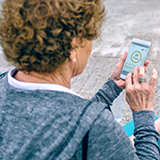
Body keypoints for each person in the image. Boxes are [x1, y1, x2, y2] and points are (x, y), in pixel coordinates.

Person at [0, 0, 159, 159]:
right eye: (90, 37)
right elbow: (84, 127)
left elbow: (63, 122)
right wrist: (143, 112)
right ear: (72, 46)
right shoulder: (97, 127)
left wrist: (109, 91)